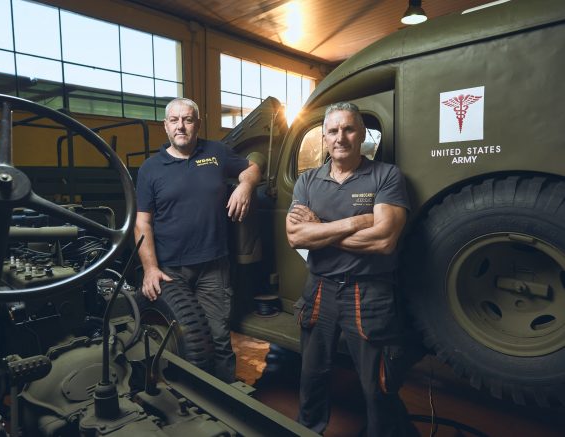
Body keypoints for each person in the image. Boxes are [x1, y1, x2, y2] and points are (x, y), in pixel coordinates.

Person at [286, 102, 420, 436]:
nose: (340, 137)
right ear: (324, 137)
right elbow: (295, 236)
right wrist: (356, 221)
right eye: (333, 130)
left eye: (348, 129)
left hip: (369, 291)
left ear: (361, 134)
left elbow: (384, 240)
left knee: (377, 384)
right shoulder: (307, 180)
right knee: (311, 377)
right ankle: (309, 430)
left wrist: (320, 230)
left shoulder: (386, 175)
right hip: (319, 290)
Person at [134, 97, 261, 383]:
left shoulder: (216, 152)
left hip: (213, 267)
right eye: (175, 120)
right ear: (166, 126)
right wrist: (150, 269)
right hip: (169, 270)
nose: (181, 126)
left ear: (197, 124)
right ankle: (187, 401)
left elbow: (252, 167)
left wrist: (245, 185)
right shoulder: (151, 169)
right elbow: (143, 222)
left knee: (218, 337)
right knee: (184, 337)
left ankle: (228, 400)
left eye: (188, 120)